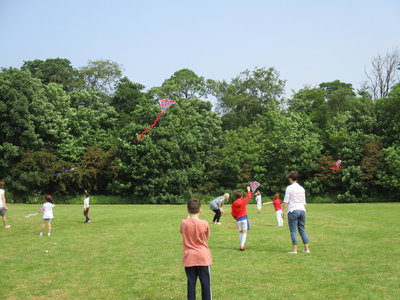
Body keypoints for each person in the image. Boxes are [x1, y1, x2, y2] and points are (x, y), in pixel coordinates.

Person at [180, 199, 212, 300]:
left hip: (189, 257)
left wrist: (188, 218)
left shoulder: (184, 222)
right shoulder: (205, 223)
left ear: (187, 210)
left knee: (191, 284)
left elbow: (182, 231)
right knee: (206, 284)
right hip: (203, 256)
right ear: (200, 210)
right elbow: (207, 236)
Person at [282, 171, 310, 254]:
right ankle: (306, 249)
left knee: (293, 230)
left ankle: (294, 250)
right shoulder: (302, 188)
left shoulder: (289, 188)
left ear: (290, 178)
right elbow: (304, 202)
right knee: (302, 229)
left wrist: (283, 211)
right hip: (302, 210)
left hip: (293, 210)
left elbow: (286, 201)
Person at [231, 186, 252, 251]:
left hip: (238, 219)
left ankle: (241, 245)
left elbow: (232, 213)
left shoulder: (233, 204)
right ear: (241, 195)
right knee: (244, 232)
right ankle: (242, 246)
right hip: (244, 218)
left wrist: (236, 218)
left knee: (240, 232)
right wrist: (248, 190)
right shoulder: (243, 201)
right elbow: (248, 196)